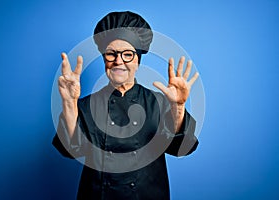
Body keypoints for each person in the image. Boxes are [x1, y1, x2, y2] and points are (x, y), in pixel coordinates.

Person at [52, 11, 199, 200]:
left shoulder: (160, 103)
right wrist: (68, 101)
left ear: (138, 61)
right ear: (105, 59)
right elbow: (71, 149)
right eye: (111, 54)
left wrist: (178, 106)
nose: (118, 61)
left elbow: (182, 148)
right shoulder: (86, 104)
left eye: (127, 54)